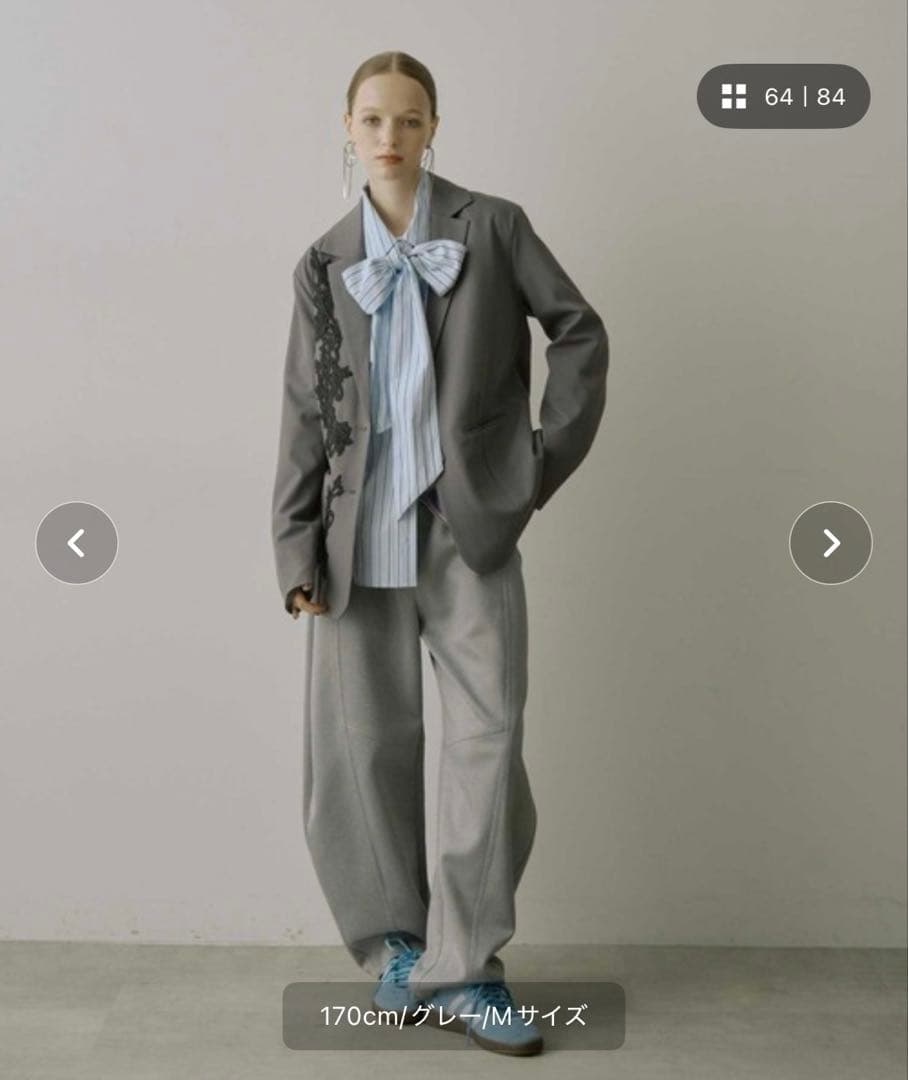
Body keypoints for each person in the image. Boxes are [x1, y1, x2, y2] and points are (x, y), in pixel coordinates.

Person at [271, 50, 609, 1057]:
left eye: (409, 119)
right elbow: (303, 412)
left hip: (469, 530)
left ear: (431, 128)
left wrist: (533, 467)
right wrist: (295, 549)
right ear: (347, 126)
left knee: (485, 745)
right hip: (354, 535)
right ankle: (401, 948)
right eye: (373, 118)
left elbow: (578, 332)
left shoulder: (491, 227)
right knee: (361, 750)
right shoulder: (322, 260)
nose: (390, 136)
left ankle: (470, 967)